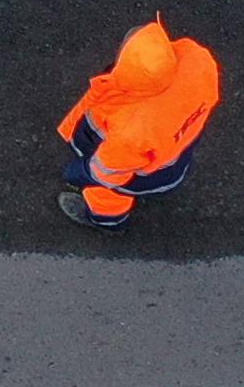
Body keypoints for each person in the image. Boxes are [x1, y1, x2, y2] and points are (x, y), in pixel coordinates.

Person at [56, 18, 222, 231]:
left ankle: (106, 220)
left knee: (106, 191)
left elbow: (107, 173)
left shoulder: (131, 133)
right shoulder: (197, 61)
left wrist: (78, 173)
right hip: (177, 156)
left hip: (141, 173)